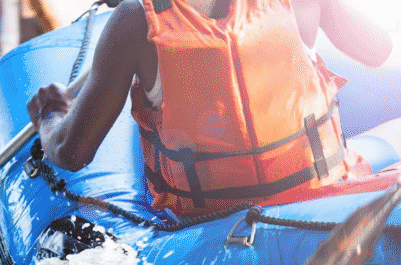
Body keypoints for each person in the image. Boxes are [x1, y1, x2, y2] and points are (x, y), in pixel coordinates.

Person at [27, 0, 396, 216]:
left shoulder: (135, 22)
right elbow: (377, 50)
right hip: (326, 201)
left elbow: (70, 152)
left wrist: (52, 113)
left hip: (208, 228)